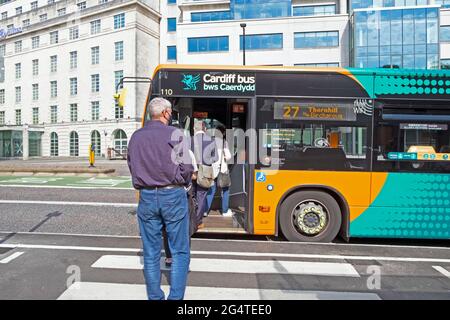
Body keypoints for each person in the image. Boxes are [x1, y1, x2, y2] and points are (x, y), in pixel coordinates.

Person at [127, 97, 194, 300]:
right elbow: (187, 167)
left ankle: (155, 297)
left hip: (146, 196)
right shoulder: (174, 134)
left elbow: (132, 165)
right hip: (172, 194)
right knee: (179, 251)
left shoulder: (136, 137)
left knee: (151, 252)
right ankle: (175, 298)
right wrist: (182, 180)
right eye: (170, 112)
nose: (171, 114)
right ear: (165, 113)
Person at [163, 149, 198, 267]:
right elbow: (194, 176)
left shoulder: (164, 152)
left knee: (167, 226)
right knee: (185, 227)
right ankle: (184, 257)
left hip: (166, 195)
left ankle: (169, 257)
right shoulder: (188, 153)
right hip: (184, 194)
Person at [191, 120, 218, 229]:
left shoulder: (189, 140)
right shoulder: (211, 140)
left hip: (192, 172)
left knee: (191, 195)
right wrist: (206, 160)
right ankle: (198, 221)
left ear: (194, 129)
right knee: (201, 196)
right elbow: (215, 158)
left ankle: (190, 219)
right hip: (205, 171)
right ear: (205, 129)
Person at [206, 125, 233, 217]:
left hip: (212, 170)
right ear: (223, 133)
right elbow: (229, 156)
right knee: (225, 190)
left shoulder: (210, 142)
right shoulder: (224, 142)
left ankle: (205, 210)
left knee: (211, 190)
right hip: (222, 170)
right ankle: (224, 211)